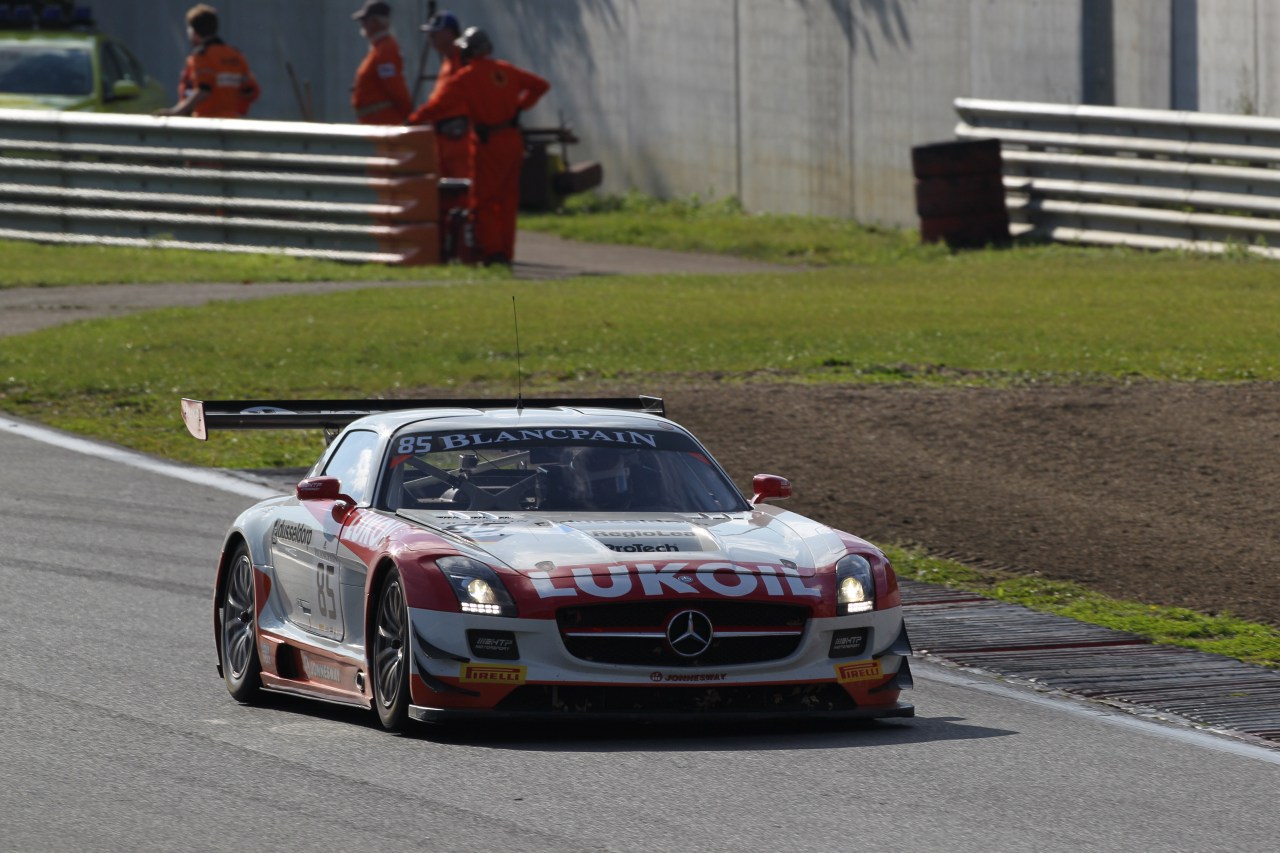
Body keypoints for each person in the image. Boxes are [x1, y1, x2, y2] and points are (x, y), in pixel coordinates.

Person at [407, 27, 550, 264]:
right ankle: (507, 251)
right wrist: (519, 108)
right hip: (512, 140)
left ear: (467, 51)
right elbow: (541, 85)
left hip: (487, 143)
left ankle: (493, 252)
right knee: (508, 199)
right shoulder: (505, 70)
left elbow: (438, 106)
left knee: (483, 200)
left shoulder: (467, 76)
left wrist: (412, 120)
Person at [156, 4, 259, 118]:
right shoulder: (236, 55)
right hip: (232, 122)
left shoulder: (202, 56)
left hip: (206, 123)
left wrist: (177, 112)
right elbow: (251, 91)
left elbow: (204, 90)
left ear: (193, 31)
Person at [420, 10, 468, 179]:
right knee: (445, 185)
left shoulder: (463, 59)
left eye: (435, 33)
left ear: (449, 33)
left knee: (461, 183)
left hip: (459, 136)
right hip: (445, 137)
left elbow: (448, 99)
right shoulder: (448, 62)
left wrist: (418, 116)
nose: (431, 37)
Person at [350, 0, 412, 125]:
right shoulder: (379, 48)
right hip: (375, 121)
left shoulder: (385, 50)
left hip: (382, 123)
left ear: (376, 22)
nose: (363, 24)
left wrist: (409, 116)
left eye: (366, 20)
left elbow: (395, 86)